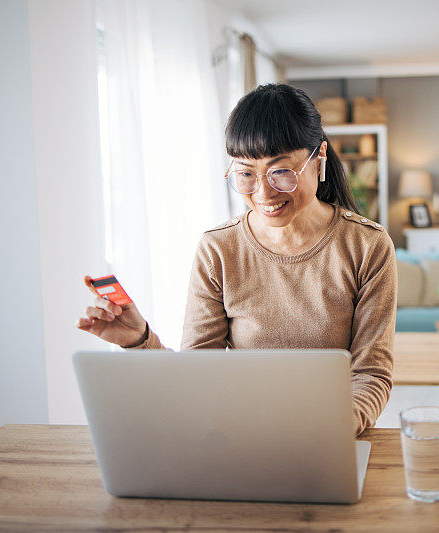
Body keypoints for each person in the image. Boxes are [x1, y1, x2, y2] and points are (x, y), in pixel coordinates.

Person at [76, 83, 397, 435]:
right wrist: (139, 341)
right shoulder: (219, 249)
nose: (263, 193)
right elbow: (198, 377)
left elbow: (370, 374)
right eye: (246, 174)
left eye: (281, 171)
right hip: (242, 434)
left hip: (330, 436)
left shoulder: (367, 245)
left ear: (319, 158)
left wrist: (334, 428)